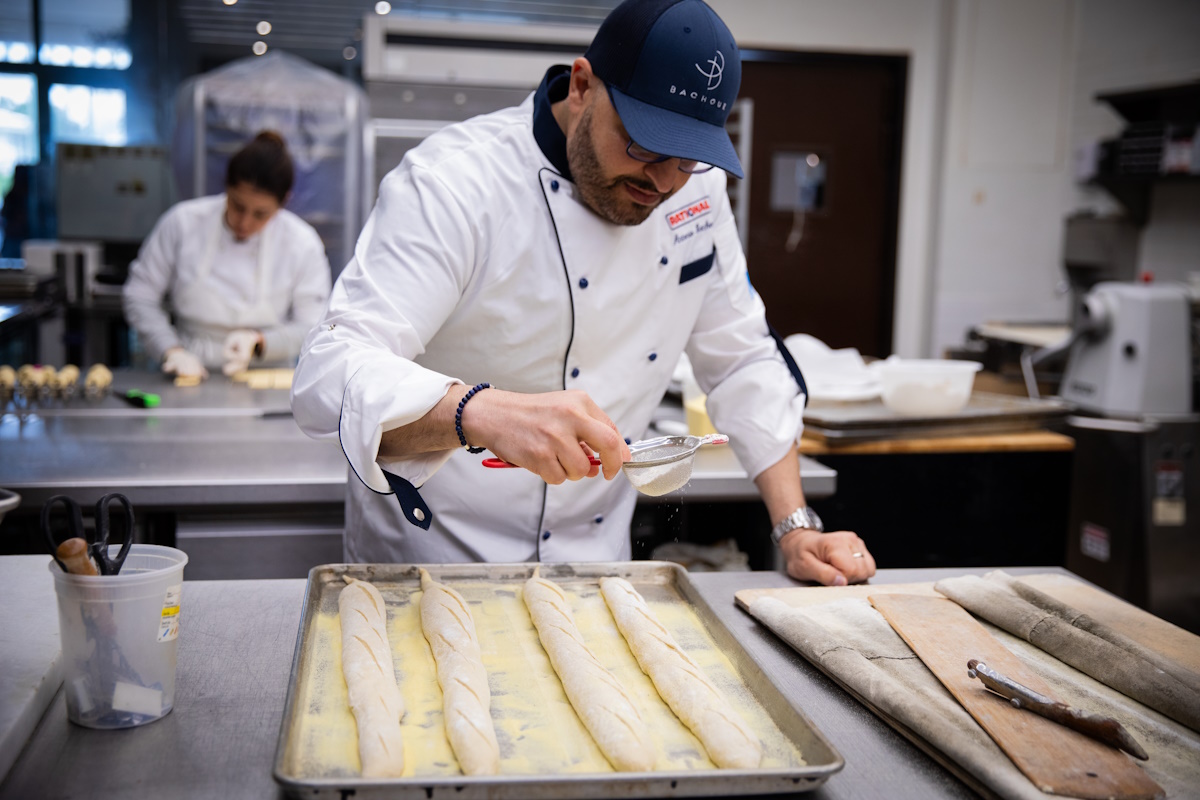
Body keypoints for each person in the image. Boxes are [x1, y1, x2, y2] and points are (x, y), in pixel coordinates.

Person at [291, 0, 876, 585]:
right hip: (431, 560)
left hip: (593, 569)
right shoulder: (454, 184)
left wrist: (795, 528)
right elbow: (327, 375)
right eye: (644, 145)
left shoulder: (699, 196)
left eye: (688, 159)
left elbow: (742, 357)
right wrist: (480, 413)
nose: (664, 182)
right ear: (581, 86)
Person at [123, 131, 332, 380]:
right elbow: (140, 295)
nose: (244, 222)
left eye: (260, 214)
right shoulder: (182, 223)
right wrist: (171, 350)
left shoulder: (301, 243)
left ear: (284, 202)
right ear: (226, 186)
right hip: (187, 372)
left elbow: (313, 325)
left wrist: (260, 342)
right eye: (237, 206)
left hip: (269, 379)